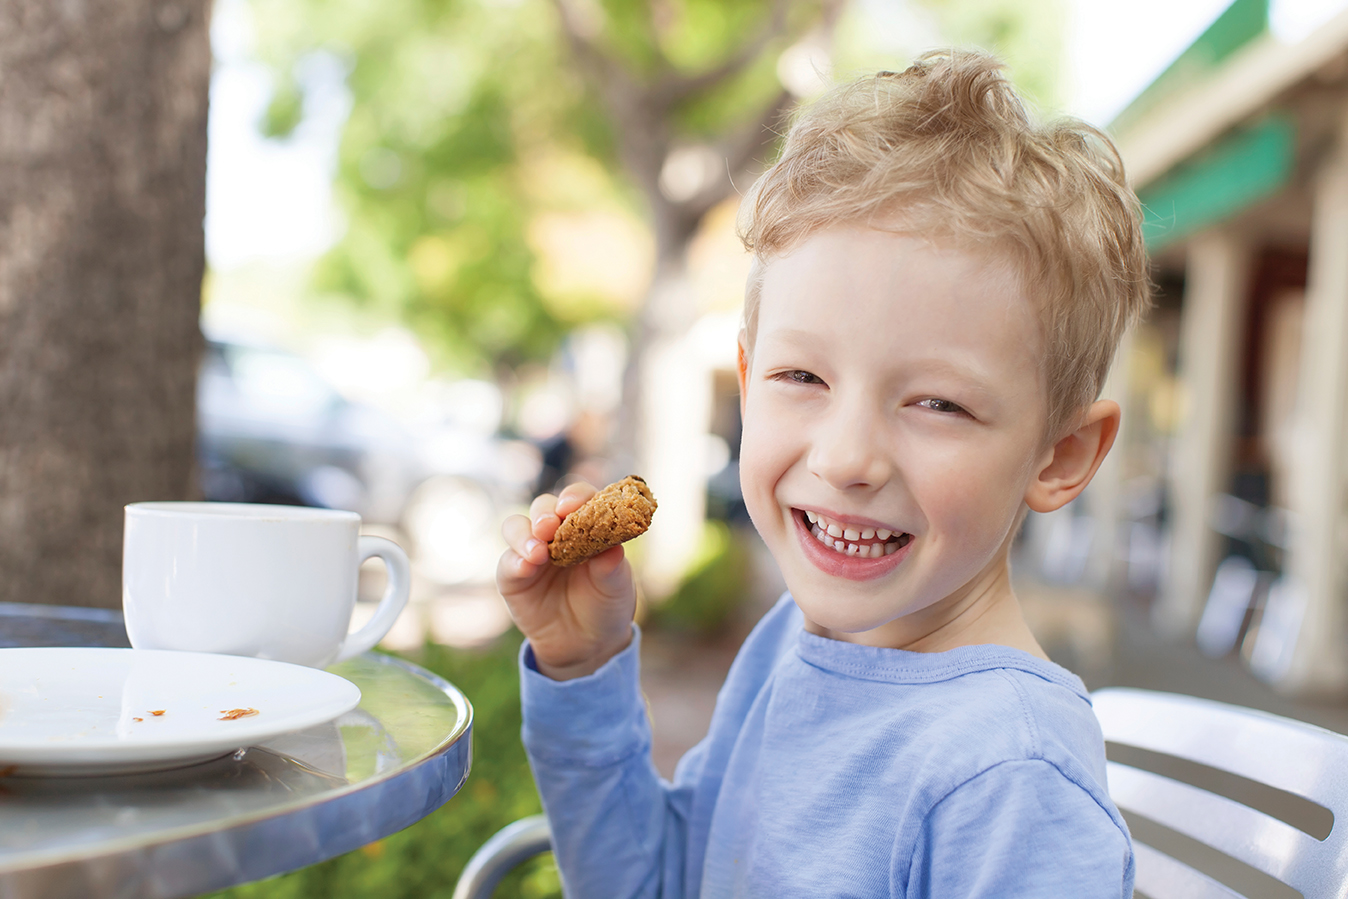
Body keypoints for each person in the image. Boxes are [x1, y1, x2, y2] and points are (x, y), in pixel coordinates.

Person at [496, 49, 1149, 898]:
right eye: (802, 377)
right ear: (747, 382)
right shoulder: (790, 640)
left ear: (1060, 454)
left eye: (939, 403)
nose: (845, 458)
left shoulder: (1011, 782)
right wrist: (583, 664)